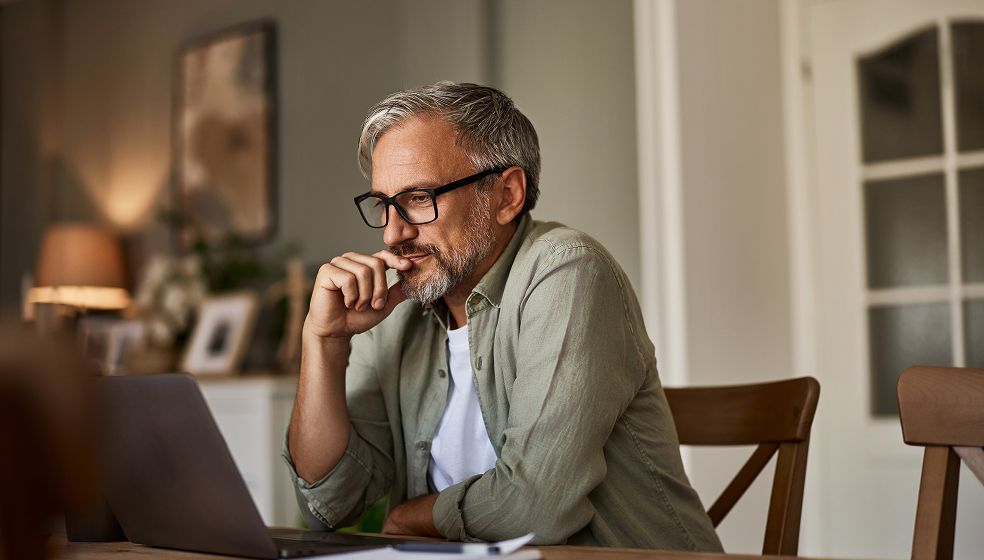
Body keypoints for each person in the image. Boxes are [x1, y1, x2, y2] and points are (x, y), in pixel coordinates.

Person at [283, 82, 722, 551]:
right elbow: (329, 504)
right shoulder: (395, 308)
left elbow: (537, 507)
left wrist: (415, 517)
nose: (393, 234)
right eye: (383, 205)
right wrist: (323, 340)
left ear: (507, 194)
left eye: (418, 198)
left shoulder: (567, 270)